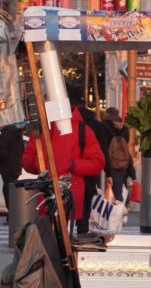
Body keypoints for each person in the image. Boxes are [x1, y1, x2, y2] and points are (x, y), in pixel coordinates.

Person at [21, 91, 105, 228]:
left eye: (48, 100)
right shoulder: (41, 130)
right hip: (48, 195)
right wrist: (40, 164)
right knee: (49, 238)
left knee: (70, 240)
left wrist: (73, 165)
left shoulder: (82, 129)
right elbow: (26, 160)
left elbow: (98, 162)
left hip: (73, 195)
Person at [72, 90, 111, 233]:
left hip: (72, 169)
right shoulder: (96, 124)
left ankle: (65, 233)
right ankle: (82, 230)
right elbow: (104, 150)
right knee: (86, 200)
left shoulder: (69, 124)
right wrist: (109, 172)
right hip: (90, 169)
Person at [103, 108, 135, 203]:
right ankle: (122, 210)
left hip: (111, 162)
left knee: (114, 192)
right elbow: (127, 142)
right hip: (123, 163)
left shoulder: (104, 126)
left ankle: (117, 212)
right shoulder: (124, 128)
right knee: (121, 188)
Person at [0, 123, 25, 211]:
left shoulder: (4, 135)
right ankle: (13, 212)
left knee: (7, 190)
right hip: (16, 166)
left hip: (7, 167)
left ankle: (12, 212)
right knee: (12, 189)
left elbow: (1, 153)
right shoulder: (18, 135)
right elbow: (22, 150)